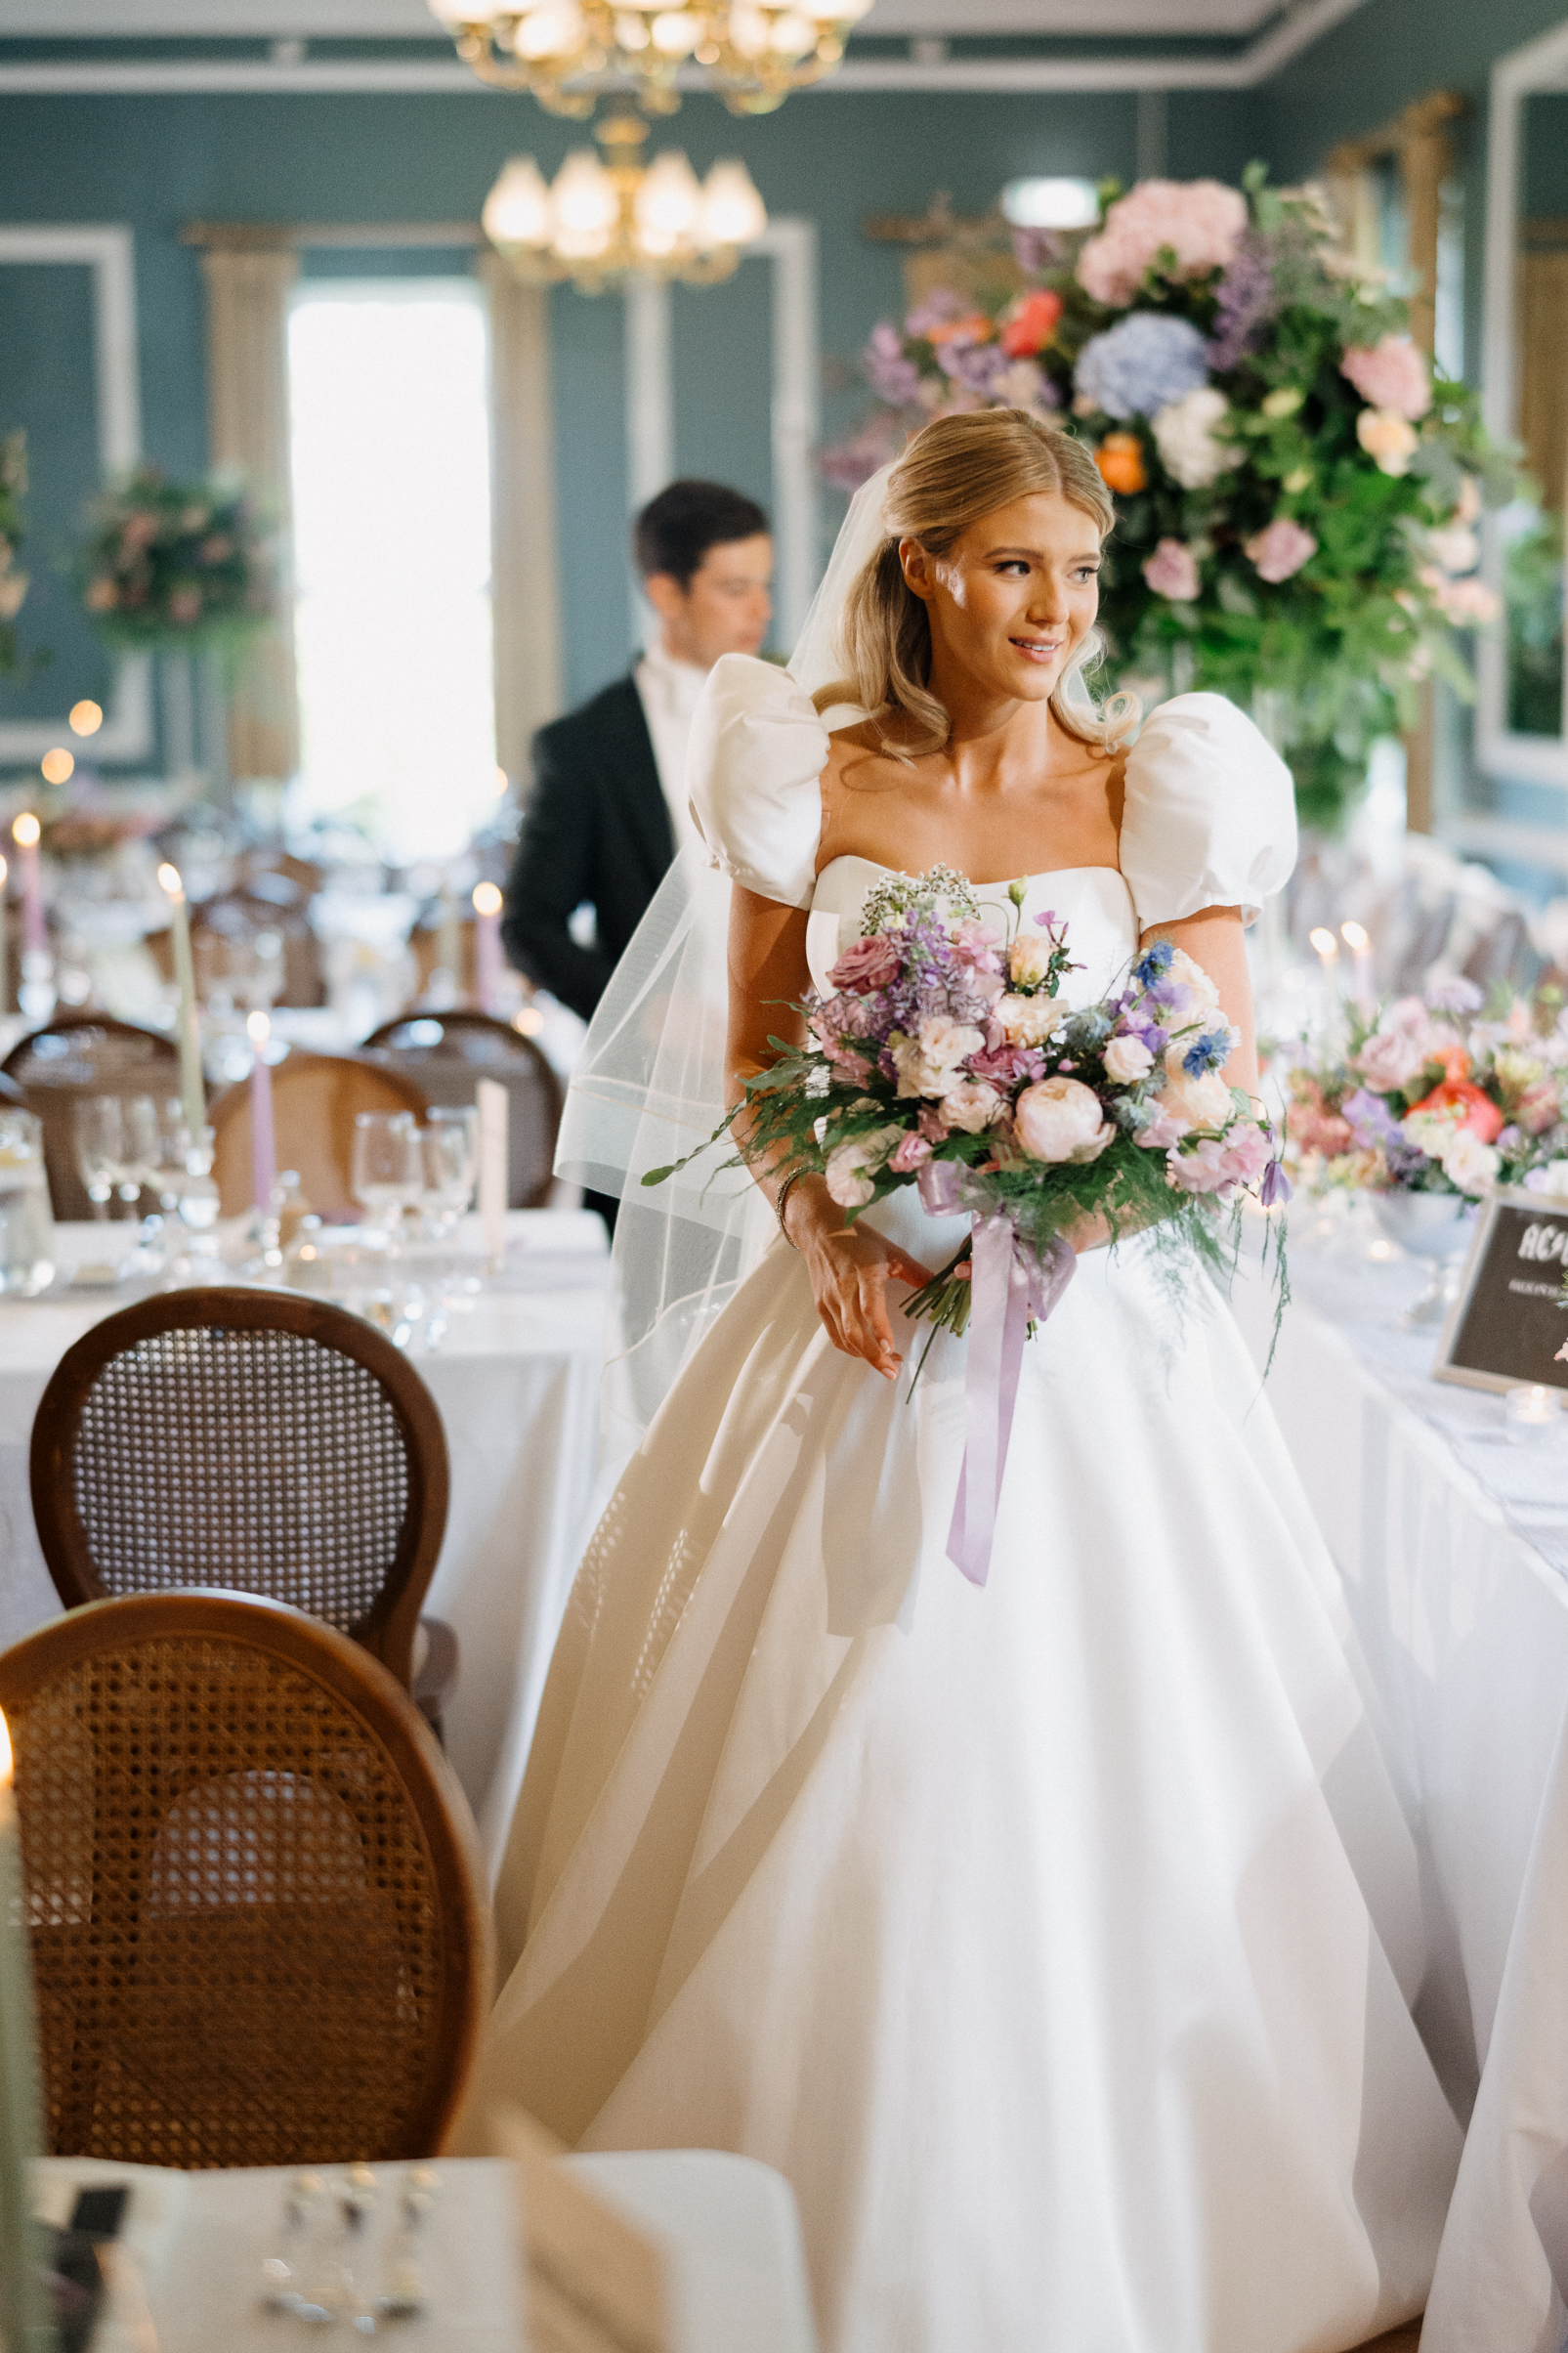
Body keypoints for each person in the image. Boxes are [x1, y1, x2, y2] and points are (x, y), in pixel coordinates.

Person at [466, 411, 1462, 2351]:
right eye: (1015, 565)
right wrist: (834, 1232)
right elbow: (757, 1061)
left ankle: (1140, 2207)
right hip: (844, 1332)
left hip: (1098, 1349)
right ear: (916, 565)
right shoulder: (800, 775)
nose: (1055, 608)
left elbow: (1209, 1085)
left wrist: (1064, 1218)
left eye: (1079, 573)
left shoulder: (1155, 788)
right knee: (835, 1721)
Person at [500, 477, 773, 1026]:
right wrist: (640, 1016)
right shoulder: (584, 746)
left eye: (765, 585)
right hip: (663, 1076)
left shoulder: (790, 712)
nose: (762, 610)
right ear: (666, 593)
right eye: (735, 589)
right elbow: (529, 926)